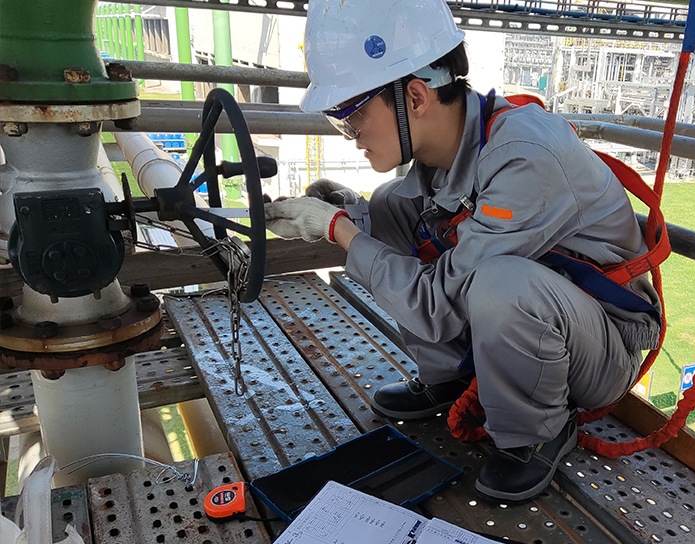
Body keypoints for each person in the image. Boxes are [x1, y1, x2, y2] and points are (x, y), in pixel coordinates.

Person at [263, 0, 661, 502]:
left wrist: (337, 230)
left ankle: (540, 429)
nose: (351, 136)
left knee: (502, 285)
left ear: (415, 96)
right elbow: (437, 242)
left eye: (352, 116)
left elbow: (437, 304)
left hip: (598, 350)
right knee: (388, 205)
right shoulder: (451, 150)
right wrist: (349, 214)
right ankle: (448, 377)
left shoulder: (525, 158)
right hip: (545, 318)